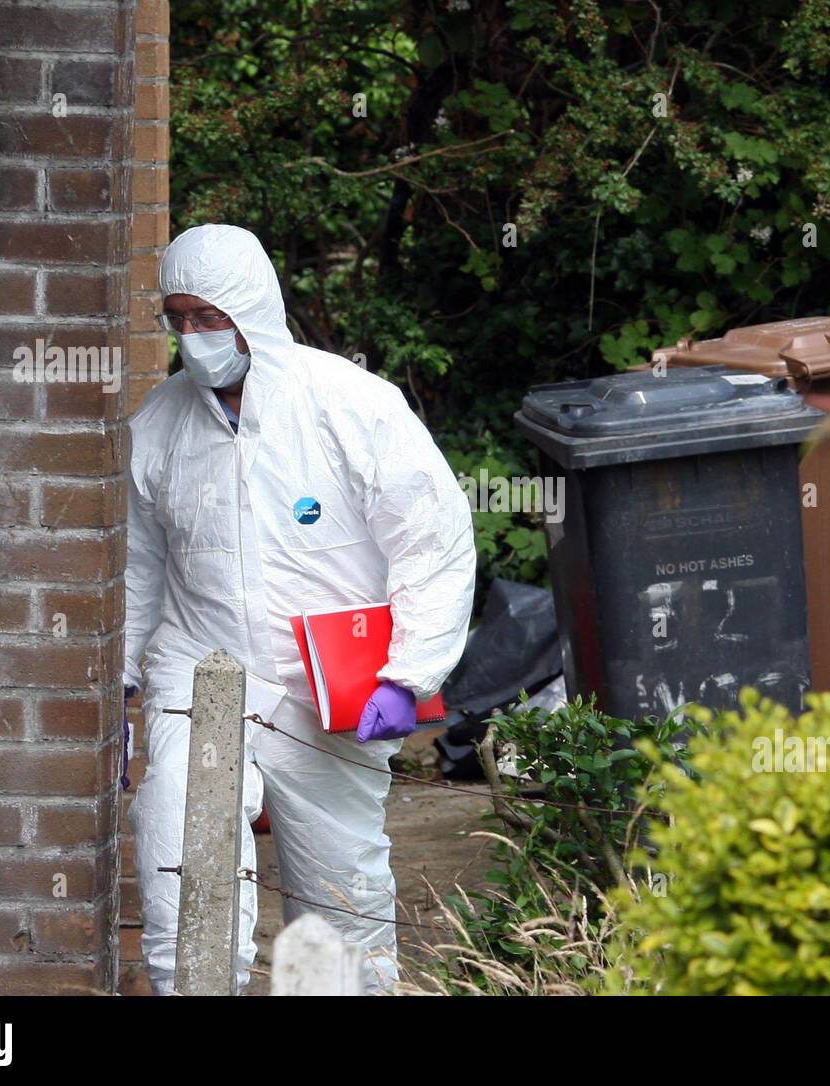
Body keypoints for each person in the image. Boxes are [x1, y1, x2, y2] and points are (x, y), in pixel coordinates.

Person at [123, 224, 477, 994]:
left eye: (209, 317)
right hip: (201, 672)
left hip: (327, 690)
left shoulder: (349, 407)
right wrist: (120, 685)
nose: (193, 338)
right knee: (181, 853)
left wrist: (407, 674)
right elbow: (137, 567)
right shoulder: (158, 426)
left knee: (337, 892)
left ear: (251, 309)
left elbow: (433, 539)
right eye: (177, 319)